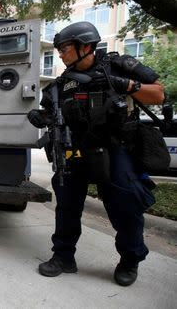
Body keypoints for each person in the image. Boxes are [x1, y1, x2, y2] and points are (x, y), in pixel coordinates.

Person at [28, 21, 164, 286]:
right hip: (76, 150)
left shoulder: (120, 65)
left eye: (65, 48)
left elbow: (158, 94)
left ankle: (130, 259)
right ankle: (64, 256)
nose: (61, 54)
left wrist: (123, 84)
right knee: (66, 201)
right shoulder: (63, 83)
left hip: (116, 148)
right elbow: (50, 112)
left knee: (126, 203)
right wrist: (40, 117)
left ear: (85, 46)